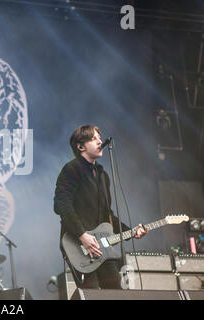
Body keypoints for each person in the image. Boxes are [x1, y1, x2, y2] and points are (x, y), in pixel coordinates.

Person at [53, 124, 148, 289]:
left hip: (102, 246)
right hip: (78, 244)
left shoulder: (103, 176)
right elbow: (61, 205)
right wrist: (82, 235)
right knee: (91, 293)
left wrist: (131, 231)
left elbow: (107, 215)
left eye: (99, 137)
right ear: (81, 146)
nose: (100, 141)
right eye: (93, 138)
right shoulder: (72, 169)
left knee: (115, 292)